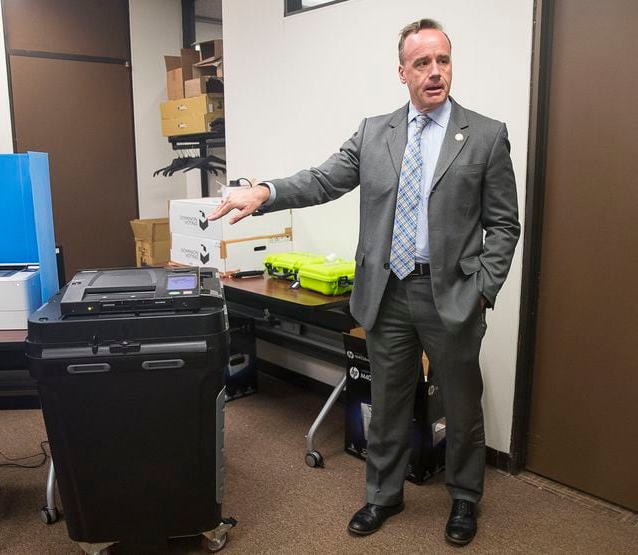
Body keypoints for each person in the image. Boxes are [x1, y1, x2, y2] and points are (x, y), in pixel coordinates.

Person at [207, 18, 520, 547]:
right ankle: (383, 494)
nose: (435, 71)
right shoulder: (376, 132)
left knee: (463, 407)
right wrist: (263, 191)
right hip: (387, 293)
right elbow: (323, 178)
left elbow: (505, 224)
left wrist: (483, 289)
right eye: (422, 63)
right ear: (402, 73)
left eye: (443, 60)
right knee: (388, 400)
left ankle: (464, 497)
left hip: (452, 296)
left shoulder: (485, 135)